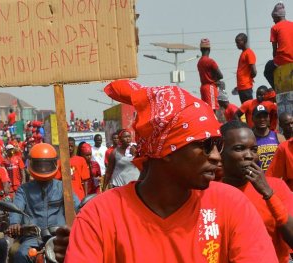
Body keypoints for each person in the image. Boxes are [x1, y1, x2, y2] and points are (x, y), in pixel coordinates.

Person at [60, 80, 277, 262]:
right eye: (205, 145)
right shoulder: (99, 216)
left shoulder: (231, 205)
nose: (216, 156)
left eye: (218, 145)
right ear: (166, 151)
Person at [220, 120, 293, 262]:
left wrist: (269, 195)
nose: (249, 156)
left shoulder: (276, 187)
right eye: (239, 148)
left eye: (253, 149)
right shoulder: (211, 192)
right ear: (220, 152)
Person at [8, 143, 79, 263]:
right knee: (20, 255)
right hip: (33, 238)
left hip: (59, 237)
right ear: (32, 164)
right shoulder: (24, 190)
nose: (43, 169)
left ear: (54, 164)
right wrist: (14, 223)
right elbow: (16, 208)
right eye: (39, 165)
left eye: (46, 165)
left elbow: (77, 206)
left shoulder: (63, 187)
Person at [264, 2, 293, 90]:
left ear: (277, 16)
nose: (273, 20)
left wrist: (275, 60)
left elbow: (274, 50)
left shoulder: (275, 28)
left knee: (267, 70)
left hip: (282, 59)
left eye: (273, 18)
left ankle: (276, 88)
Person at [252, 105, 285, 172]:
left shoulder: (279, 138)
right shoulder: (249, 139)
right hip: (259, 180)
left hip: (277, 179)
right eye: (259, 117)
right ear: (253, 119)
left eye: (265, 116)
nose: (262, 119)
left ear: (269, 118)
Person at [197, 38, 223, 111]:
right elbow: (221, 75)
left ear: (201, 49)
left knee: (206, 110)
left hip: (203, 88)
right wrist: (215, 79)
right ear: (209, 49)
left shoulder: (199, 62)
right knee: (213, 110)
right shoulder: (210, 61)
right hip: (210, 88)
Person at [235, 33, 257, 103]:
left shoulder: (249, 53)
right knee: (244, 108)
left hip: (246, 86)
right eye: (236, 43)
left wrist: (249, 78)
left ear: (244, 41)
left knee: (249, 107)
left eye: (238, 42)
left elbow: (254, 71)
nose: (237, 44)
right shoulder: (243, 53)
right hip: (241, 86)